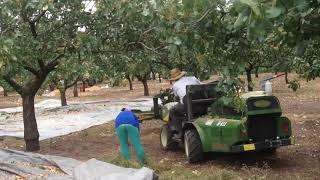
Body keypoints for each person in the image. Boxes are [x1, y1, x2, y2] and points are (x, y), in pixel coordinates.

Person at [168, 68, 201, 137]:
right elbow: (201, 86)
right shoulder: (193, 78)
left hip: (189, 105)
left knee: (172, 111)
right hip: (201, 102)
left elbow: (176, 97)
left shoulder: (175, 85)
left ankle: (178, 131)